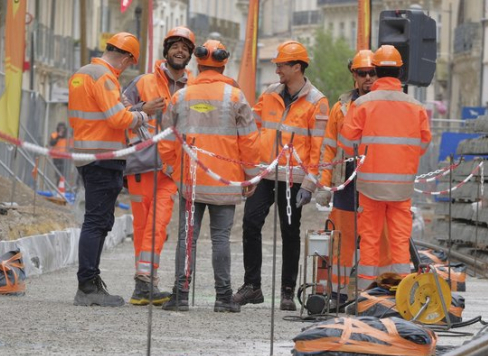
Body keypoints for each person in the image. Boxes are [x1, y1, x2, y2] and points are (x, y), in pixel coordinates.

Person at [159, 40, 260, 312]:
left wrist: (172, 168)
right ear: (224, 63)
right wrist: (251, 176)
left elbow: (166, 139)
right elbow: (249, 141)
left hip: (190, 181)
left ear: (198, 63)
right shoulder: (236, 97)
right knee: (220, 240)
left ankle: (180, 296)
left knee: (187, 238)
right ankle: (223, 298)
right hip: (223, 182)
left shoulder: (181, 96)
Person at [232, 40, 329, 311]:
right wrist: (248, 172)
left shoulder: (317, 102)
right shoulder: (271, 93)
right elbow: (252, 130)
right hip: (265, 173)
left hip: (294, 179)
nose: (277, 71)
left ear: (297, 67)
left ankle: (287, 291)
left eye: (281, 66)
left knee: (289, 233)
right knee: (250, 224)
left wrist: (309, 184)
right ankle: (252, 286)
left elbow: (319, 148)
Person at [68, 32, 156, 307]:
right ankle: (87, 285)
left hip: (87, 154)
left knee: (99, 220)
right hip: (104, 158)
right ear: (127, 57)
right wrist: (144, 115)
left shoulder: (82, 73)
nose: (127, 68)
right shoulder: (104, 77)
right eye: (130, 63)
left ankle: (90, 282)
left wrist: (136, 110)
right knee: (96, 221)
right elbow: (117, 117)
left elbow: (100, 114)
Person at [338, 45, 431, 290]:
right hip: (402, 188)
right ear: (400, 72)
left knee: (370, 239)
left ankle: (366, 294)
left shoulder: (363, 105)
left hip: (369, 186)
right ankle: (401, 293)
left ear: (377, 71)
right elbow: (423, 144)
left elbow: (347, 144)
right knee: (400, 240)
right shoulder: (416, 107)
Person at [121, 26, 194, 306]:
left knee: (158, 223)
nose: (180, 51)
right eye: (175, 46)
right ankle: (143, 284)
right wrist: (142, 108)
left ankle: (145, 281)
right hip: (140, 164)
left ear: (189, 56)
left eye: (185, 49)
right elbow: (120, 113)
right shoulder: (143, 82)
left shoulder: (193, 88)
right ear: (166, 51)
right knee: (142, 226)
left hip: (170, 170)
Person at [315, 50, 375, 306]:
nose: (368, 78)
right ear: (354, 75)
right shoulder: (341, 108)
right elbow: (329, 147)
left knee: (375, 240)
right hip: (346, 181)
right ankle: (338, 295)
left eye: (373, 73)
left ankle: (371, 296)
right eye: (363, 73)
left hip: (375, 181)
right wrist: (324, 184)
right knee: (342, 241)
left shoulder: (382, 105)